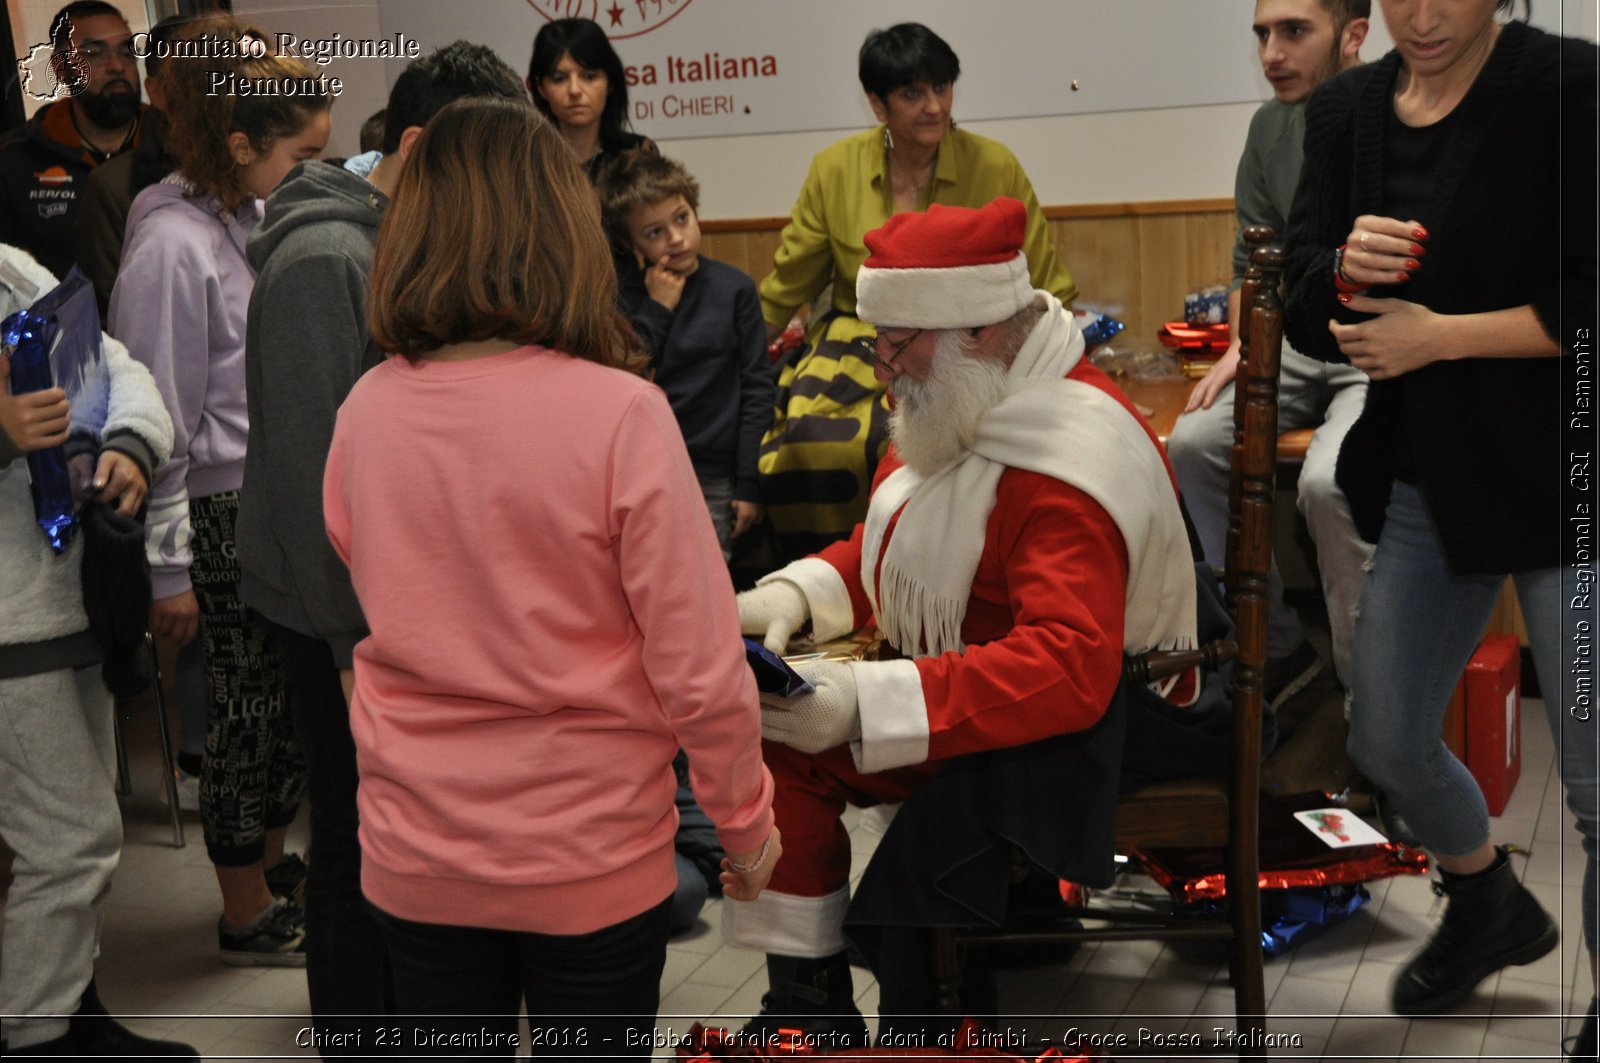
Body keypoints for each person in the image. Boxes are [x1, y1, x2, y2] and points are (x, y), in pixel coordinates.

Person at [322, 96, 777, 1055]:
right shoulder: (620, 413)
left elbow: (381, 599)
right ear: (561, 228)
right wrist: (745, 821)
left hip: (417, 846)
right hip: (589, 849)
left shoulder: (367, 408)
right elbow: (697, 663)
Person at [729, 197, 1197, 1041]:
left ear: (980, 331)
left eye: (898, 344)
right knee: (776, 736)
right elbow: (903, 548)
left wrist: (870, 701)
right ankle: (809, 1010)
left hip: (1099, 724)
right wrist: (795, 593)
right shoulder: (969, 396)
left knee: (894, 818)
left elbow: (1068, 669)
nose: (881, 366)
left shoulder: (1063, 464)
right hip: (975, 684)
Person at [1281, 0, 1597, 1048]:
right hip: (1428, 474)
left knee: (1594, 787)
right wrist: (1338, 271)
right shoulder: (1346, 111)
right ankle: (1487, 904)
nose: (1420, 16)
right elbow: (1294, 287)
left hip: (1567, 478)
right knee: (1386, 735)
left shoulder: (1568, 87)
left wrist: (1440, 338)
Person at [237, 40, 526, 1044]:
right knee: (359, 849)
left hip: (381, 614)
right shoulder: (329, 259)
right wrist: (355, 647)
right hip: (338, 622)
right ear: (419, 144)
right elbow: (322, 487)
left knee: (390, 849)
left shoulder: (385, 234)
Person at [109, 20, 333, 966]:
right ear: (233, 136)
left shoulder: (238, 217)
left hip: (265, 500)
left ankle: (272, 873)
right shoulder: (170, 245)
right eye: (301, 151)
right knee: (240, 717)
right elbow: (154, 417)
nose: (314, 169)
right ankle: (243, 910)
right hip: (212, 512)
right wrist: (169, 574)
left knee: (276, 708)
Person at [756, 22, 1077, 560]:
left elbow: (1047, 284)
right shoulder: (833, 170)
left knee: (918, 442)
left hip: (968, 338)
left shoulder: (994, 164)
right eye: (912, 93)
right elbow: (786, 286)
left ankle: (936, 571)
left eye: (942, 88)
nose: (934, 106)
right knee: (808, 444)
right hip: (858, 335)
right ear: (877, 105)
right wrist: (732, 367)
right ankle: (828, 578)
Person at [0, 243, 194, 1059]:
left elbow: (114, 361)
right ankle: (36, 1032)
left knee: (82, 835)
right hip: (10, 625)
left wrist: (128, 443)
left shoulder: (10, 266)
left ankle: (72, 1009)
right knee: (69, 840)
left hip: (69, 594)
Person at [1168, 0, 1371, 705]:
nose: (1271, 54)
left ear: (1353, 38)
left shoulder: (1391, 116)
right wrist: (1242, 346)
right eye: (1261, 34)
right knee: (1192, 442)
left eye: (1293, 32)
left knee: (1327, 483)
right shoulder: (1268, 127)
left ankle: (1365, 691)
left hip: (1372, 346)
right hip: (1290, 334)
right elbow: (1247, 263)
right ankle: (1276, 644)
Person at [600, 149, 775, 559]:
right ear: (631, 242)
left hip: (715, 473)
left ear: (695, 211)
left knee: (706, 576)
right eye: (655, 232)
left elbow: (756, 387)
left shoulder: (734, 289)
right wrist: (657, 310)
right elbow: (624, 373)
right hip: (645, 469)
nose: (676, 238)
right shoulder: (626, 296)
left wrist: (747, 482)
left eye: (681, 219)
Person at [0, 2, 145, 278]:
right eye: (93, 53)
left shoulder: (177, 145)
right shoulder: (15, 158)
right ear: (61, 70)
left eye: (126, 51)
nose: (117, 66)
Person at [73, 14, 194, 319]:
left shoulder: (260, 162)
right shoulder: (115, 186)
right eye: (194, 77)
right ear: (157, 91)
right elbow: (117, 316)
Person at [527, 17, 651, 181]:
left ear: (610, 83)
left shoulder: (636, 154)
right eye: (559, 78)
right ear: (541, 88)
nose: (574, 90)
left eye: (589, 76)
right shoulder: (525, 160)